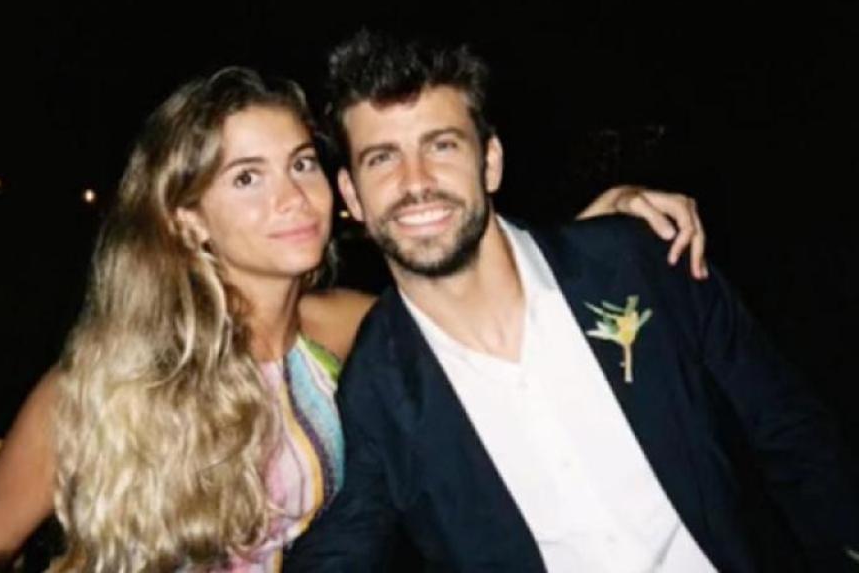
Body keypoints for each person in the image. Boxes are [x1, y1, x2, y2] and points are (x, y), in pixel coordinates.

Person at [0, 66, 708, 572]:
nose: (293, 197)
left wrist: (596, 231)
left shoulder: (342, 328)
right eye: (247, 177)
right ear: (187, 219)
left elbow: (485, 295)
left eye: (301, 162)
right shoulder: (101, 383)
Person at [285, 30, 859, 572]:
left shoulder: (639, 261)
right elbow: (340, 550)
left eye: (442, 145)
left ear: (490, 162)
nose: (416, 181)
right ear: (351, 194)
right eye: (382, 157)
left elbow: (790, 433)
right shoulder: (374, 391)